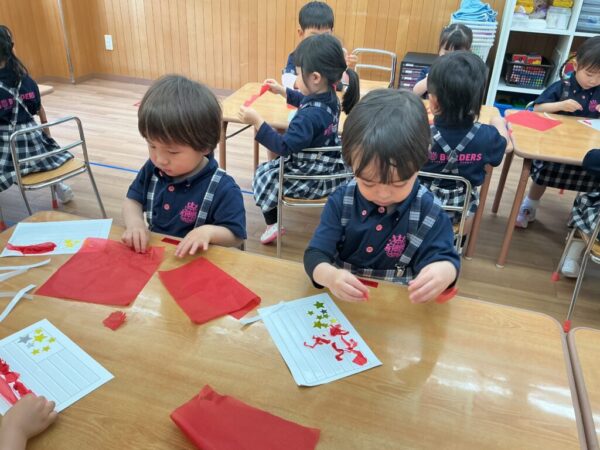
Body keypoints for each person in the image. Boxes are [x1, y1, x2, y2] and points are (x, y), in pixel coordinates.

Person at [304, 89, 460, 304]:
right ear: (350, 162)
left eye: (399, 183)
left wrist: (444, 271)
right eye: (368, 182)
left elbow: (446, 259)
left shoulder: (430, 211)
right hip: (344, 304)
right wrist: (330, 276)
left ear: (423, 157)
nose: (384, 193)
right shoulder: (341, 202)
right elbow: (315, 255)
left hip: (399, 306)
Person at [239, 34, 359, 245]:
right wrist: (283, 91)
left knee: (263, 174)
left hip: (308, 174)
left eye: (298, 75)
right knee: (268, 170)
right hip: (329, 164)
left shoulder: (307, 117)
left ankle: (272, 223)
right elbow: (307, 100)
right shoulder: (330, 98)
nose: (296, 79)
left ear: (315, 78)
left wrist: (257, 122)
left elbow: (283, 146)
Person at [122, 75, 246, 256]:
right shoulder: (152, 169)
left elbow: (236, 236)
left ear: (204, 146)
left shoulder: (223, 188)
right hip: (158, 256)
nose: (160, 159)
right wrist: (135, 224)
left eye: (172, 152)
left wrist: (208, 232)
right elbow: (132, 200)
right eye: (152, 146)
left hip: (198, 262)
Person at [420, 51, 510, 236]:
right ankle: (458, 242)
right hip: (459, 210)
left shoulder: (420, 133)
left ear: (433, 102)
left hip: (420, 206)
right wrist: (499, 123)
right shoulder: (487, 136)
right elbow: (506, 146)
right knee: (471, 202)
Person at [517, 36, 600, 229]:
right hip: (554, 147)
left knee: (593, 176)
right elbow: (537, 108)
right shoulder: (563, 86)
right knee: (544, 172)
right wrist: (560, 105)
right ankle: (530, 205)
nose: (594, 80)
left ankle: (581, 210)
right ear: (576, 65)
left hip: (587, 148)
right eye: (589, 74)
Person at [0, 25, 73, 201]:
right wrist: (47, 140)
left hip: (9, 154)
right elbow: (39, 110)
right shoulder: (26, 80)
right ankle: (58, 184)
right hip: (37, 148)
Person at [282, 1, 357, 90]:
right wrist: (307, 83)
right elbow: (286, 79)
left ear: (331, 33)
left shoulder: (333, 55)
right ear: (301, 34)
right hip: (303, 98)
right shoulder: (297, 55)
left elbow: (343, 83)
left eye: (325, 35)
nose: (320, 41)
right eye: (314, 36)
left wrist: (349, 68)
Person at [412, 23, 473, 98]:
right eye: (446, 53)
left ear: (469, 52)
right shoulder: (431, 70)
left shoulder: (470, 74)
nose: (451, 58)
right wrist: (430, 79)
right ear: (439, 49)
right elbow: (415, 93)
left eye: (457, 55)